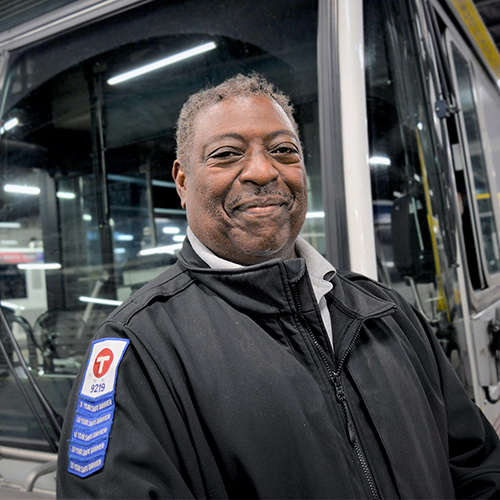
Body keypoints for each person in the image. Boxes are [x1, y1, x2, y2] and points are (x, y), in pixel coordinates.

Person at [57, 73, 500, 499]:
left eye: (283, 150)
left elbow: (477, 467)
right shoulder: (139, 350)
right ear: (182, 182)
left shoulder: (386, 313)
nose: (262, 171)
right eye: (227, 154)